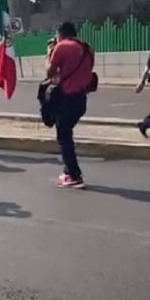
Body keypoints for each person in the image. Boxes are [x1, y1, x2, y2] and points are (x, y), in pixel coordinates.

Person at [47, 21, 96, 189]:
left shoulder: (61, 47)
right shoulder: (87, 48)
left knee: (64, 136)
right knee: (66, 134)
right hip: (81, 99)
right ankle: (69, 171)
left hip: (67, 98)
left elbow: (49, 72)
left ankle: (73, 175)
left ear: (60, 33)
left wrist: (50, 51)